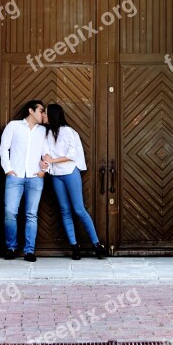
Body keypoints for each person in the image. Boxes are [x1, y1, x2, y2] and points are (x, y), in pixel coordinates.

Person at [41, 104, 106, 260]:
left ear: (53, 115)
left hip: (70, 173)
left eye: (45, 112)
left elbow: (72, 155)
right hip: (56, 175)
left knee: (78, 209)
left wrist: (52, 160)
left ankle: (96, 245)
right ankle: (74, 247)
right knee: (65, 211)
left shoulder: (68, 132)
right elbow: (45, 154)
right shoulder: (47, 133)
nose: (43, 114)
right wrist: (46, 161)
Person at [0, 99, 47, 262]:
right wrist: (8, 170)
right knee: (10, 212)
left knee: (31, 214)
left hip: (35, 177)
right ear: (31, 111)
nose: (43, 114)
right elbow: (3, 148)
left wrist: (43, 171)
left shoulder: (42, 132)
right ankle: (11, 247)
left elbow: (46, 154)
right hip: (15, 176)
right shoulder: (14, 126)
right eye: (41, 110)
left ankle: (29, 251)